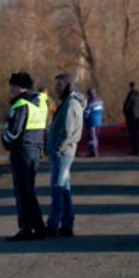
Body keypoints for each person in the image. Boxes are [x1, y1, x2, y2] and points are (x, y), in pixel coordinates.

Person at [2, 71, 48, 241]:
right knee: (30, 191)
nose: (11, 91)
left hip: (21, 151)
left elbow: (14, 131)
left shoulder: (21, 104)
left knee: (22, 192)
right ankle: (39, 227)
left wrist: (4, 141)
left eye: (12, 87)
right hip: (36, 150)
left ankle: (26, 230)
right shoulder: (41, 102)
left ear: (17, 86)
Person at [45, 73, 85, 238]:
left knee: (57, 189)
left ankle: (52, 225)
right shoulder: (67, 103)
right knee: (64, 190)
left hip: (62, 154)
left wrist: (56, 149)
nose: (56, 88)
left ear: (67, 84)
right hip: (63, 153)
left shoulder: (70, 105)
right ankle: (67, 224)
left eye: (59, 85)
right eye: (55, 85)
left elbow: (66, 132)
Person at [123, 81, 139, 155]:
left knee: (132, 134)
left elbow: (126, 107)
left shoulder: (130, 95)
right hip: (138, 116)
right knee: (136, 133)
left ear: (130, 87)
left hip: (131, 117)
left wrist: (126, 115)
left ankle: (134, 150)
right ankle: (137, 149)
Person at [83, 88, 104, 157]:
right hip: (98, 120)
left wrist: (84, 118)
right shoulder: (100, 101)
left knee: (92, 137)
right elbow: (102, 110)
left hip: (91, 121)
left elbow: (87, 112)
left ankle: (93, 151)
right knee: (96, 136)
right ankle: (96, 150)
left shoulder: (89, 102)